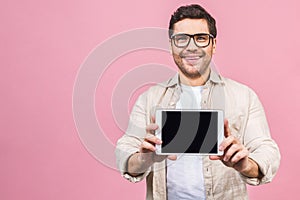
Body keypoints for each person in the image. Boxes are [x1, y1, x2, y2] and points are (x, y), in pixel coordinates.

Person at [115, 4, 280, 200]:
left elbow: (267, 151)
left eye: (201, 38)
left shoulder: (244, 96)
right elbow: (125, 152)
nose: (191, 47)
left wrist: (245, 165)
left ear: (214, 45)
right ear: (171, 45)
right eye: (181, 39)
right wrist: (144, 159)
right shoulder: (149, 98)